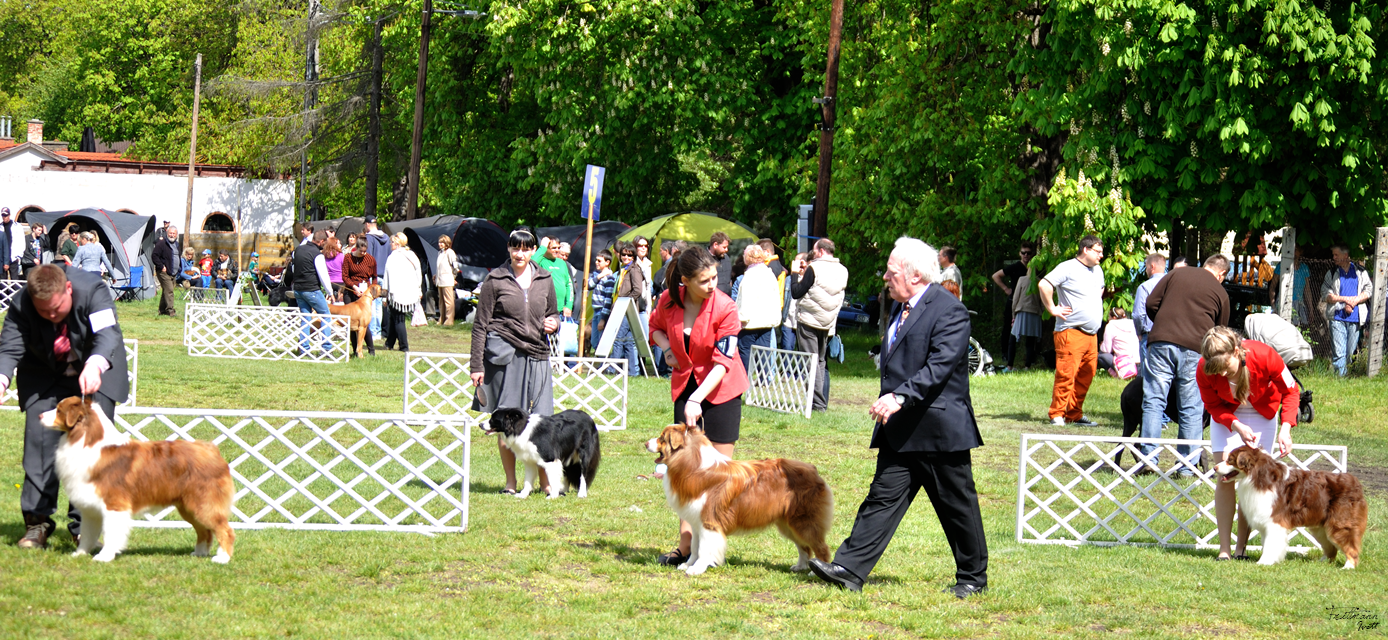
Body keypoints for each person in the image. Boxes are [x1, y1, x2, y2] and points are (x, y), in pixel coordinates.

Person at [807, 237, 987, 598]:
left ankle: (973, 578)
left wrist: (900, 396)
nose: (886, 279)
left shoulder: (949, 310)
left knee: (956, 506)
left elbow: (940, 366)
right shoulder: (900, 307)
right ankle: (849, 568)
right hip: (901, 428)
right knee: (881, 500)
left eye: (891, 273)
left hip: (938, 430)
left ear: (915, 275)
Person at [0, 264, 130, 549]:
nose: (50, 315)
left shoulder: (93, 290)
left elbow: (107, 334)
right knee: (39, 444)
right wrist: (1, 379)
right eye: (43, 311)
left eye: (56, 308)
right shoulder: (22, 302)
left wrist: (95, 365)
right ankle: (37, 524)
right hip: (45, 377)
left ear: (68, 290)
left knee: (90, 451)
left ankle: (84, 527)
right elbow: (9, 347)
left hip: (96, 369)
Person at [647, 245, 749, 567]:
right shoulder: (668, 300)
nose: (712, 285)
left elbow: (722, 363)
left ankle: (709, 551)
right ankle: (686, 548)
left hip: (721, 393)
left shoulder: (726, 308)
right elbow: (654, 327)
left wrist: (697, 398)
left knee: (717, 479)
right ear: (686, 280)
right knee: (686, 474)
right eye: (704, 281)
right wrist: (666, 348)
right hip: (685, 387)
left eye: (715, 277)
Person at [1195, 326, 1298, 561]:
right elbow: (1212, 405)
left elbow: (1291, 391)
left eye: (1225, 369)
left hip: (1263, 412)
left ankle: (1241, 548)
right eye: (1216, 371)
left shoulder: (1265, 356)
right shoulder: (1204, 368)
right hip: (1227, 416)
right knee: (1225, 476)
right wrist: (1235, 425)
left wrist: (1286, 427)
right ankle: (1224, 550)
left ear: (1236, 351)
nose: (1221, 375)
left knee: (1252, 479)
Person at [470, 228, 560, 494]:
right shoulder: (495, 279)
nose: (520, 253)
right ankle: (511, 484)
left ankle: (546, 484)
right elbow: (480, 326)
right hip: (504, 355)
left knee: (542, 421)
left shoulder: (545, 278)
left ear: (534, 250)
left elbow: (552, 313)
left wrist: (553, 323)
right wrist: (476, 365)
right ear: (508, 249)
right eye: (515, 248)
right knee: (505, 421)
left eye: (526, 248)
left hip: (537, 353)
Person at [1139, 254, 1231, 473]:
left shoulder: (1175, 273)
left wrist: (1164, 323)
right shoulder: (1220, 292)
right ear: (1222, 273)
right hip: (1196, 349)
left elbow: (1151, 303)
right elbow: (1220, 331)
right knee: (1191, 407)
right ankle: (1186, 466)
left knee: (1153, 400)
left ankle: (1148, 460)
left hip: (1161, 342)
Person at [1038, 235, 1105, 426]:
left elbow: (1098, 291)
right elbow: (1044, 284)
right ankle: (1057, 414)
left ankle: (1074, 414)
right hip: (1071, 331)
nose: (1101, 256)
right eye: (1098, 251)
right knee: (1066, 374)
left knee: (1087, 374)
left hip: (1091, 334)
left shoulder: (1098, 270)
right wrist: (1052, 308)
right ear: (1086, 250)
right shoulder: (1067, 267)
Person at [792, 238, 848, 412]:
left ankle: (817, 404)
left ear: (821, 251)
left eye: (815, 251)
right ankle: (820, 402)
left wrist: (795, 274)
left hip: (809, 320)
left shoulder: (815, 268)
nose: (813, 254)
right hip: (828, 322)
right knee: (821, 362)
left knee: (811, 362)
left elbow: (796, 292)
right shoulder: (843, 270)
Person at [1321, 244, 1372, 377]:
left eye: (1336, 255)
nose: (1334, 257)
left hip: (1355, 317)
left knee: (1350, 353)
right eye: (1333, 255)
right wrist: (1346, 300)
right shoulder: (1332, 273)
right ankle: (1340, 380)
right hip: (1337, 317)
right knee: (1339, 353)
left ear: (1345, 256)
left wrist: (1354, 302)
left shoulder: (1361, 272)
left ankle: (1347, 377)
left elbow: (1369, 290)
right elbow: (1326, 295)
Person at [735, 244, 780, 372]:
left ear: (747, 258)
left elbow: (744, 299)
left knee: (745, 351)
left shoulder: (749, 275)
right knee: (763, 353)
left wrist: (741, 318)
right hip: (766, 320)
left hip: (751, 322)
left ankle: (745, 378)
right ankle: (763, 380)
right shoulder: (769, 273)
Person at [290, 230, 336, 354]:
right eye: (324, 243)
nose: (325, 245)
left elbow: (293, 268)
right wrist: (330, 292)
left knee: (305, 318)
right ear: (321, 241)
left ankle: (303, 348)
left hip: (298, 289)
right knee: (325, 314)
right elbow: (323, 275)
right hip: (311, 289)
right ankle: (326, 348)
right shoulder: (317, 254)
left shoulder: (298, 250)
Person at [991, 242, 1035, 370]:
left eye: (1028, 253)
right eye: (1023, 253)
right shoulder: (1015, 266)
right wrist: (1006, 289)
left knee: (1030, 332)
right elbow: (996, 276)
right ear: (1019, 253)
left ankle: (1029, 359)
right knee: (1009, 328)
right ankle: (1006, 355)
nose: (1026, 255)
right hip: (1014, 302)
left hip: (1029, 303)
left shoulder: (1034, 267)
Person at [382, 232, 423, 351]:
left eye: (392, 242)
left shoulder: (393, 256)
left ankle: (404, 346)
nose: (390, 244)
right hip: (410, 292)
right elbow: (418, 273)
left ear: (397, 243)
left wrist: (385, 296)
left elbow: (387, 277)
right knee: (394, 317)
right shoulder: (412, 255)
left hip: (396, 293)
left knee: (398, 319)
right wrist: (418, 289)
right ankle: (389, 343)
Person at [611, 242, 647, 375]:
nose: (626, 257)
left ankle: (613, 368)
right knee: (629, 341)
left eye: (629, 255)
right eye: (624, 254)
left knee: (618, 339)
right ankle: (633, 371)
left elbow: (637, 290)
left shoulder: (634, 269)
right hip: (622, 308)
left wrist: (625, 301)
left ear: (634, 256)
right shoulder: (623, 269)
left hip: (627, 309)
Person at [1131, 252, 1168, 360]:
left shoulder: (1144, 287)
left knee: (1148, 373)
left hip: (1150, 335)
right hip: (1171, 336)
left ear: (1152, 266)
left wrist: (1140, 332)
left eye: (1146, 267)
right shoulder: (1173, 285)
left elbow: (1138, 314)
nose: (1146, 270)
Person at [1009, 267, 1042, 369]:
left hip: (1022, 311)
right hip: (1035, 312)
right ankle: (1027, 365)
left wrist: (1013, 314)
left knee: (1012, 338)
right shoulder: (1040, 282)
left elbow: (1015, 298)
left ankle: (1010, 365)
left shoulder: (1022, 279)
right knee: (1030, 341)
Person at [534, 237, 574, 321]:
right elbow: (530, 264)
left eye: (558, 248)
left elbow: (569, 285)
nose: (557, 250)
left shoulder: (562, 263)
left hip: (561, 311)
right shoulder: (540, 261)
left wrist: (569, 305)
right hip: (544, 311)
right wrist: (542, 247)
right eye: (553, 248)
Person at [1272, 245, 1312, 326]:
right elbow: (1272, 288)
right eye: (1292, 249)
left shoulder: (1304, 268)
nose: (1294, 252)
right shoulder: (1281, 266)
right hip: (1284, 302)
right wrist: (1273, 306)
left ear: (1301, 252)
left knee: (1299, 328)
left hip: (1299, 303)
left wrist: (1311, 309)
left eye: (1296, 249)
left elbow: (1307, 290)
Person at [587, 250, 617, 352]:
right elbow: (588, 285)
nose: (596, 262)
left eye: (599, 261)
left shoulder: (610, 279)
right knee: (594, 341)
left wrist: (603, 319)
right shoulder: (596, 275)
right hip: (595, 311)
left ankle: (603, 364)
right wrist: (599, 276)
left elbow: (608, 300)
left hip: (602, 312)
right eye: (596, 260)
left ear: (607, 262)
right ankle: (601, 362)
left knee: (601, 340)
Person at [1098, 307, 1140, 379]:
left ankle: (1117, 374)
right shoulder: (1132, 323)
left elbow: (1106, 350)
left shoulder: (1111, 325)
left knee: (1100, 355)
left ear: (1114, 317)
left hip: (1124, 362)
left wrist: (1101, 345)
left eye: (1109, 317)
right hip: (1137, 360)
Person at [151, 224, 181, 317]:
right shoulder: (162, 243)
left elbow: (178, 257)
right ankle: (170, 311)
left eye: (174, 233)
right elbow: (154, 256)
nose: (172, 235)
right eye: (170, 233)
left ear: (176, 235)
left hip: (173, 272)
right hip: (163, 271)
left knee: (166, 290)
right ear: (167, 233)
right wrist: (161, 266)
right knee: (169, 290)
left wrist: (179, 268)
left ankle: (162, 310)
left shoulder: (176, 244)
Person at [341, 237, 378, 304]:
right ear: (356, 248)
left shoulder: (371, 259)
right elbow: (345, 276)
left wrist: (372, 290)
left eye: (364, 251)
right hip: (350, 290)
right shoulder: (348, 257)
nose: (363, 253)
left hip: (365, 292)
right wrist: (354, 287)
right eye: (361, 251)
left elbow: (374, 277)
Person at [435, 235, 459, 325]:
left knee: (448, 301)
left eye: (442, 242)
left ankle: (449, 320)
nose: (439, 244)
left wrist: (453, 277)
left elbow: (455, 267)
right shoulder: (440, 253)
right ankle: (442, 318)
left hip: (447, 280)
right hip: (440, 280)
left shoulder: (450, 252)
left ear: (446, 243)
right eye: (439, 242)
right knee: (441, 301)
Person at [0, 207, 22, 279]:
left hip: (14, 257)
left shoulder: (17, 226)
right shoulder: (0, 227)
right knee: (3, 282)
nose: (4, 217)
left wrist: (19, 256)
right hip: (3, 258)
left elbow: (21, 241)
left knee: (15, 280)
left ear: (9, 215)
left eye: (6, 215)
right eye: (3, 215)